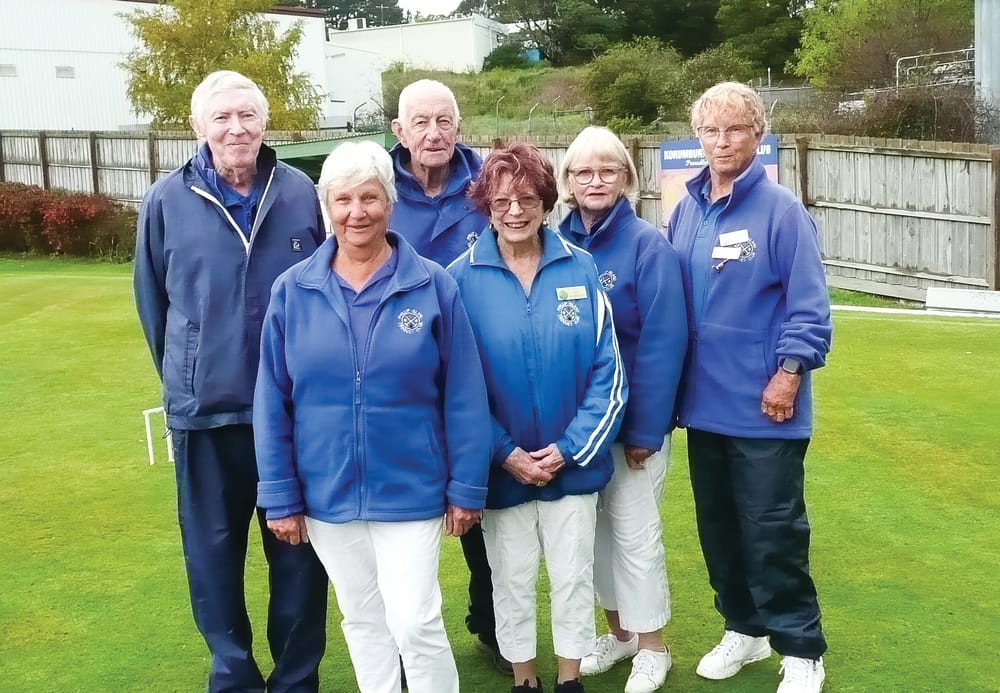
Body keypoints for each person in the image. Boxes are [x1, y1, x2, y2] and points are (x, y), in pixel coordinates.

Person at [253, 140, 492, 693]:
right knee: (363, 620)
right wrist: (281, 495)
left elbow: (463, 394)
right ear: (325, 206)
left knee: (414, 621)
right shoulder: (292, 291)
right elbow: (272, 400)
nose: (356, 212)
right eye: (342, 200)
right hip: (327, 492)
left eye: (370, 198)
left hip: (412, 488)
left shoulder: (434, 284)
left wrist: (467, 487)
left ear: (390, 203)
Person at [133, 70, 329, 692]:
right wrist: (187, 373)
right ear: (198, 127)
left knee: (298, 560)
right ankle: (235, 677)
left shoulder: (301, 193)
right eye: (222, 118)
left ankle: (296, 679)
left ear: (266, 122)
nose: (236, 128)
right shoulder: (166, 199)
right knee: (213, 561)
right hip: (204, 415)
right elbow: (153, 305)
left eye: (247, 115)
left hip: (292, 416)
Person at [665, 82, 833, 693]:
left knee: (773, 530)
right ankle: (745, 629)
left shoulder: (781, 209)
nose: (721, 142)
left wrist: (789, 374)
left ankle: (801, 649)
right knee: (719, 528)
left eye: (734, 129)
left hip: (767, 406)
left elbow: (810, 306)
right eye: (710, 130)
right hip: (702, 407)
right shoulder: (685, 209)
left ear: (757, 136)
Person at [449, 143, 627, 693]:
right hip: (503, 470)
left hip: (570, 466)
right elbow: (456, 387)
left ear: (546, 201)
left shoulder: (582, 265)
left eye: (527, 198)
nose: (515, 211)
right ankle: (524, 678)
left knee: (573, 577)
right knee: (511, 579)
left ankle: (569, 677)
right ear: (486, 206)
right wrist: (504, 452)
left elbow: (609, 373)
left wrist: (569, 448)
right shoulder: (458, 278)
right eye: (502, 200)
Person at [556, 126, 687, 693]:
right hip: (579, 428)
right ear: (566, 181)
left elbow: (664, 341)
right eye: (582, 171)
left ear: (627, 178)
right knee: (594, 539)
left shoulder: (646, 245)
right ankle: (621, 634)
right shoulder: (554, 241)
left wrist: (646, 428)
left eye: (608, 170)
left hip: (631, 426)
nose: (595, 181)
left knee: (634, 533)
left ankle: (654, 645)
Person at [388, 78, 510, 675]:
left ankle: (492, 627)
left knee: (481, 515)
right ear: (399, 131)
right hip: (402, 387)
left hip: (481, 380)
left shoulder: (491, 185)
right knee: (400, 524)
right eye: (421, 122)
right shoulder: (376, 185)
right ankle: (402, 640)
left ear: (459, 128)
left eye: (444, 121)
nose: (433, 134)